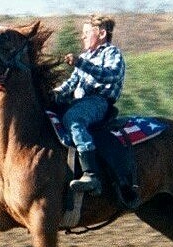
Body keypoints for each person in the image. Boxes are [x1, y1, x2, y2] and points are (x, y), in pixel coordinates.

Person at [52, 14, 126, 194]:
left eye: (86, 32)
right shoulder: (85, 57)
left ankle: (91, 175)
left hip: (99, 102)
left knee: (74, 118)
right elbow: (70, 84)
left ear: (101, 34)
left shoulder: (112, 53)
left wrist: (81, 63)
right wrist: (53, 93)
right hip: (80, 101)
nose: (82, 36)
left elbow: (111, 75)